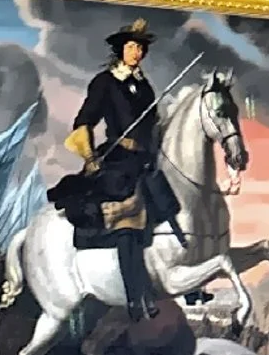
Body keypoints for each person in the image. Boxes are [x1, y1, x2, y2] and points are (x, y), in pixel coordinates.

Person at [50, 21, 183, 322]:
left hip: (144, 159)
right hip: (117, 159)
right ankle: (137, 297)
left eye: (141, 48)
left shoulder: (144, 86)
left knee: (169, 207)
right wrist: (88, 154)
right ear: (120, 50)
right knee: (128, 223)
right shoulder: (105, 82)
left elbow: (153, 124)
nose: (137, 52)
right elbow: (84, 121)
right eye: (132, 47)